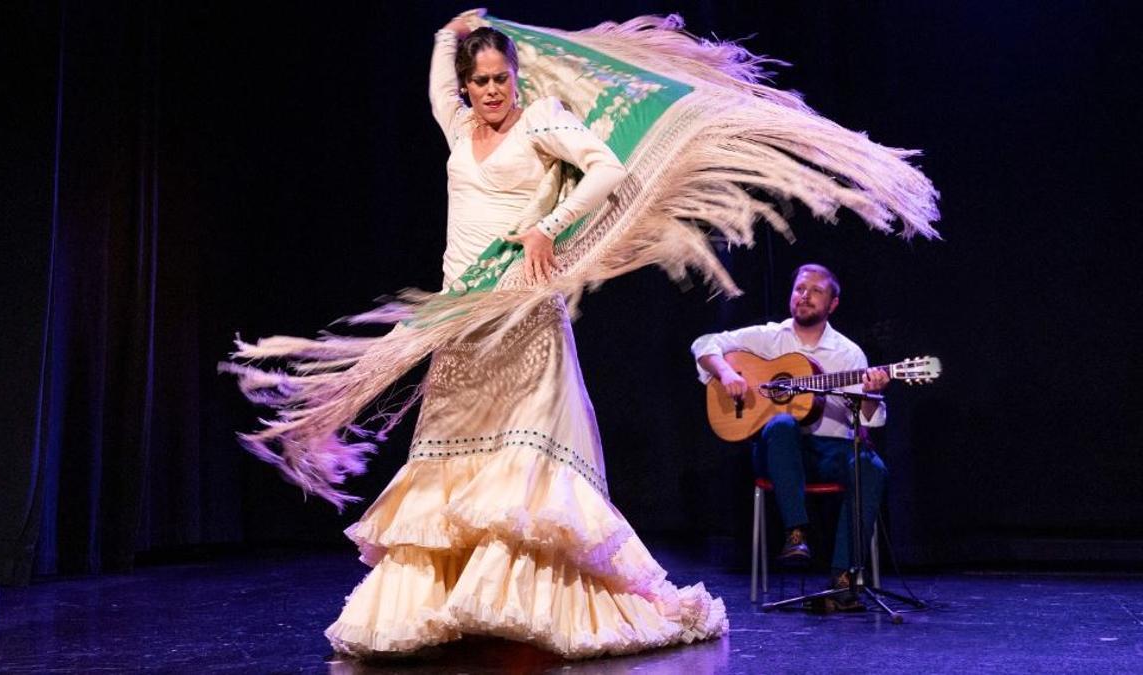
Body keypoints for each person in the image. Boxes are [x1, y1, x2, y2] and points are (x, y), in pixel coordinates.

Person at [317, 20, 726, 658]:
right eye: (478, 81)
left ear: (516, 78)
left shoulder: (539, 120)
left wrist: (548, 227)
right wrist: (442, 34)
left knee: (523, 468)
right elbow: (435, 95)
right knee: (453, 463)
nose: (490, 91)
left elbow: (606, 171)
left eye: (500, 79)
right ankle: (462, 608)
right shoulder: (459, 128)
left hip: (524, 317)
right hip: (465, 320)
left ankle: (528, 605)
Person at [691, 264, 890, 609]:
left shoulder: (848, 354)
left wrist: (872, 394)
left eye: (816, 291)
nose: (804, 296)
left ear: (833, 304)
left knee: (871, 467)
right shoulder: (769, 337)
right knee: (782, 424)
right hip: (777, 452)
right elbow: (705, 343)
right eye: (800, 288)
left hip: (830, 451)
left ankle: (843, 578)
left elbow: (869, 420)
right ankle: (796, 533)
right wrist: (725, 373)